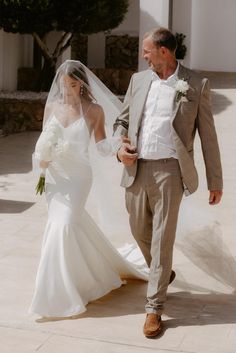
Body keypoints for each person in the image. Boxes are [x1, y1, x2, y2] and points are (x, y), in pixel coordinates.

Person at [113, 27, 223, 338]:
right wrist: (120, 149)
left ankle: (154, 308)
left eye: (147, 51)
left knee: (163, 239)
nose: (143, 56)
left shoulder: (195, 84)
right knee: (138, 229)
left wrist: (216, 179)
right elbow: (121, 121)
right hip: (136, 169)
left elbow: (209, 137)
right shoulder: (138, 81)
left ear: (165, 52)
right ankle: (163, 273)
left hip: (170, 172)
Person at [29, 60, 149, 319]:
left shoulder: (94, 111)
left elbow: (102, 147)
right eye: (65, 84)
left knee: (65, 224)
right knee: (67, 226)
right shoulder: (52, 106)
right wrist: (43, 159)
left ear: (82, 84)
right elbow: (44, 142)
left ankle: (58, 295)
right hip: (55, 178)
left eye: (74, 84)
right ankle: (89, 274)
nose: (69, 89)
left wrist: (120, 145)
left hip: (78, 177)